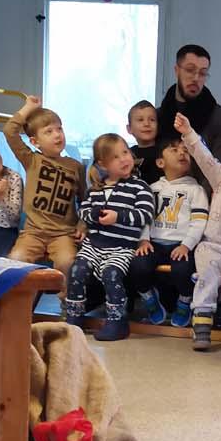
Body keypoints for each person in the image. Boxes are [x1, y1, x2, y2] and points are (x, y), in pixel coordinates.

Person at [65, 134, 154, 341]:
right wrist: (94, 215)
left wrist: (118, 216)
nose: (124, 159)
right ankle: (74, 316)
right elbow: (84, 212)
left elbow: (144, 214)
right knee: (77, 270)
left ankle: (117, 321)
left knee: (111, 274)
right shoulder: (96, 189)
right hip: (93, 245)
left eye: (125, 152)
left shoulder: (140, 187)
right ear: (102, 163)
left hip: (121, 247)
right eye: (115, 157)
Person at [173, 112, 221, 351]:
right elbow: (204, 158)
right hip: (213, 242)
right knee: (206, 272)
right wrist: (188, 133)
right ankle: (202, 321)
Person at [128, 134, 209, 328]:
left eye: (186, 151)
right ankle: (148, 298)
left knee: (183, 270)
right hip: (154, 242)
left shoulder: (196, 190)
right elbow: (144, 218)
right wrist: (143, 240)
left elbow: (199, 222)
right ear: (160, 162)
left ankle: (184, 301)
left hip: (181, 243)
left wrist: (186, 245)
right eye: (174, 150)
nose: (182, 153)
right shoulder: (151, 189)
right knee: (137, 266)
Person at [4, 95, 86, 281]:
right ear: (34, 142)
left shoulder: (76, 166)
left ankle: (69, 304)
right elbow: (10, 131)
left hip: (63, 234)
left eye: (59, 129)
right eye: (48, 132)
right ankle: (22, 303)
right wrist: (28, 108)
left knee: (68, 262)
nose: (57, 135)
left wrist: (83, 224)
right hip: (33, 232)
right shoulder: (31, 159)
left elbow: (85, 200)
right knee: (17, 260)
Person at [156, 45, 221, 167]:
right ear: (176, 70)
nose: (196, 78)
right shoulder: (157, 117)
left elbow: (220, 173)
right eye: (189, 70)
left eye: (203, 73)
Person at [127, 101, 161, 185]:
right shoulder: (127, 154)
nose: (146, 124)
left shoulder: (165, 153)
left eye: (152, 120)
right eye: (140, 120)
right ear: (129, 128)